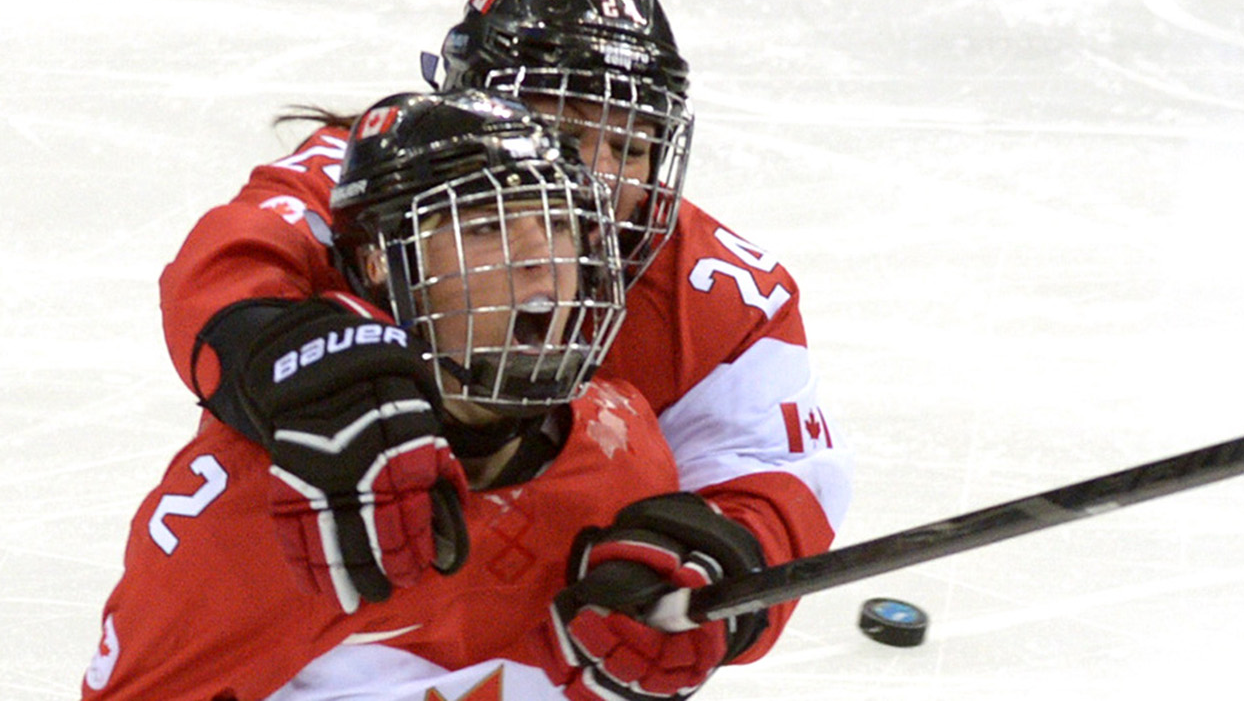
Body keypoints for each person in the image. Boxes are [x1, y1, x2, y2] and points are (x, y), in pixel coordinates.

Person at [156, 0, 850, 678]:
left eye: (633, 145)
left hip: (546, 625)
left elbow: (771, 472)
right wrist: (309, 370)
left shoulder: (721, 295)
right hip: (328, 607)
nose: (605, 180)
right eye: (570, 133)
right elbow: (228, 269)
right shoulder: (383, 191)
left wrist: (719, 553)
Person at [85, 89, 771, 700]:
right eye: (485, 227)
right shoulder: (266, 501)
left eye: (561, 224)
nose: (541, 257)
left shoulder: (624, 449)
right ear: (384, 262)